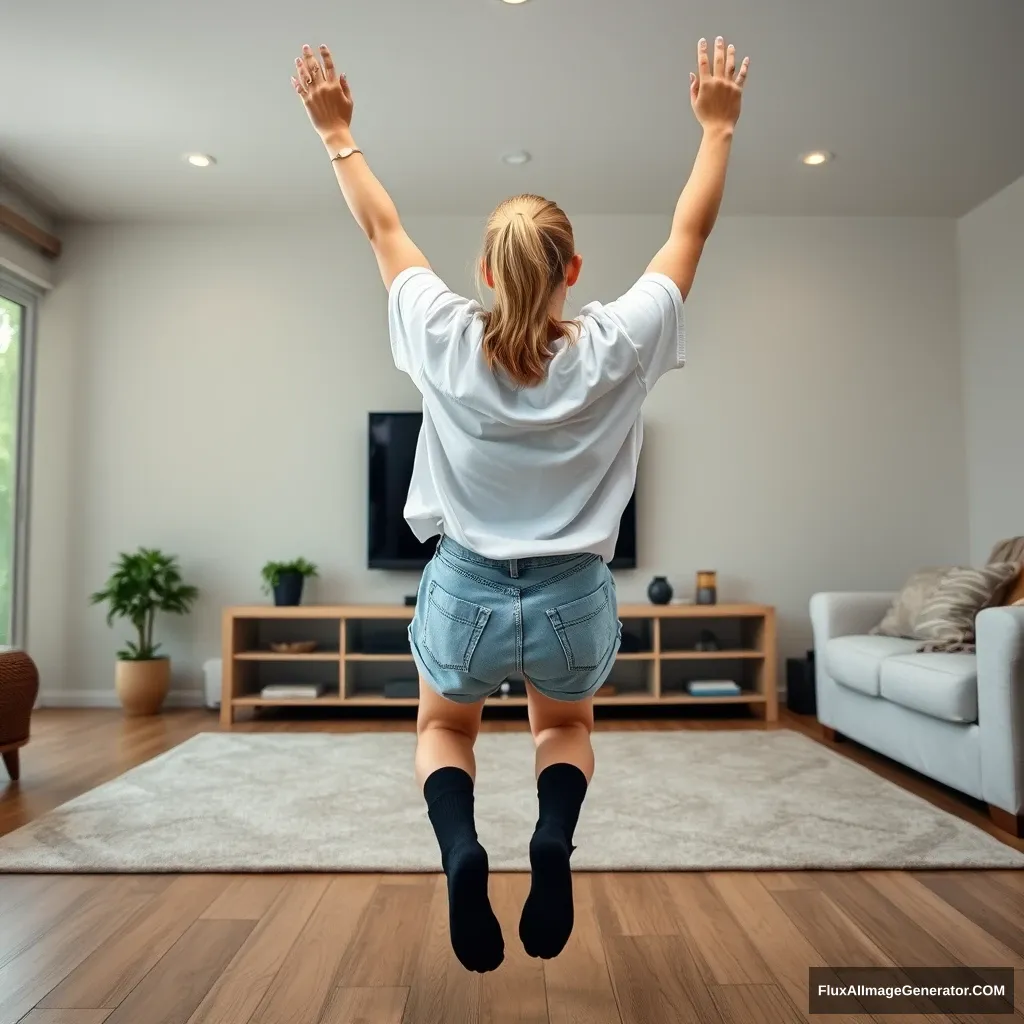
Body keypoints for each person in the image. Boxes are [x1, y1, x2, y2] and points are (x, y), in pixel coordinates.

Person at [291, 35, 749, 973]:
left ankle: (462, 853)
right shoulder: (616, 345)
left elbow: (383, 230)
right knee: (562, 729)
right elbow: (687, 236)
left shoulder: (443, 333)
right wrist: (718, 127)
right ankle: (551, 840)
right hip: (575, 591)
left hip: (463, 588)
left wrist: (338, 131)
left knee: (442, 730)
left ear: (489, 272)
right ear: (571, 270)